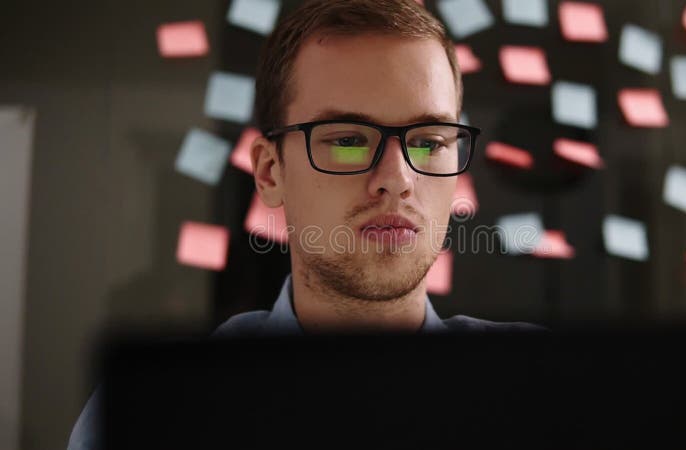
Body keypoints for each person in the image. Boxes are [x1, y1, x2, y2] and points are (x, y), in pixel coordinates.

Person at [67, 0, 542, 447]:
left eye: (429, 142)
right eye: (349, 140)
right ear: (270, 172)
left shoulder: (543, 383)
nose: (397, 181)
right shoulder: (158, 409)